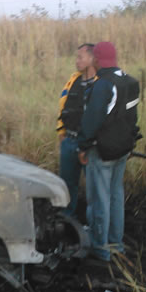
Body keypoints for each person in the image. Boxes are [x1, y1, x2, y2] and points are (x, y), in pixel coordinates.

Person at [77, 41, 140, 264]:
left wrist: (82, 146)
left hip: (102, 151)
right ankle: (116, 243)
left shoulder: (104, 84)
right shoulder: (130, 81)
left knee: (99, 199)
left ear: (97, 59)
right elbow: (133, 119)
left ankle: (100, 247)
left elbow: (92, 121)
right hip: (123, 148)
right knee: (115, 195)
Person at [57, 44, 97, 219]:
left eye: (81, 57)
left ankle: (92, 226)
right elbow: (63, 105)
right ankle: (66, 222)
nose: (77, 61)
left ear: (92, 59)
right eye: (77, 57)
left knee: (94, 189)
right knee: (67, 186)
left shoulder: (101, 84)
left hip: (90, 145)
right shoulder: (73, 80)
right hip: (69, 141)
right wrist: (61, 131)